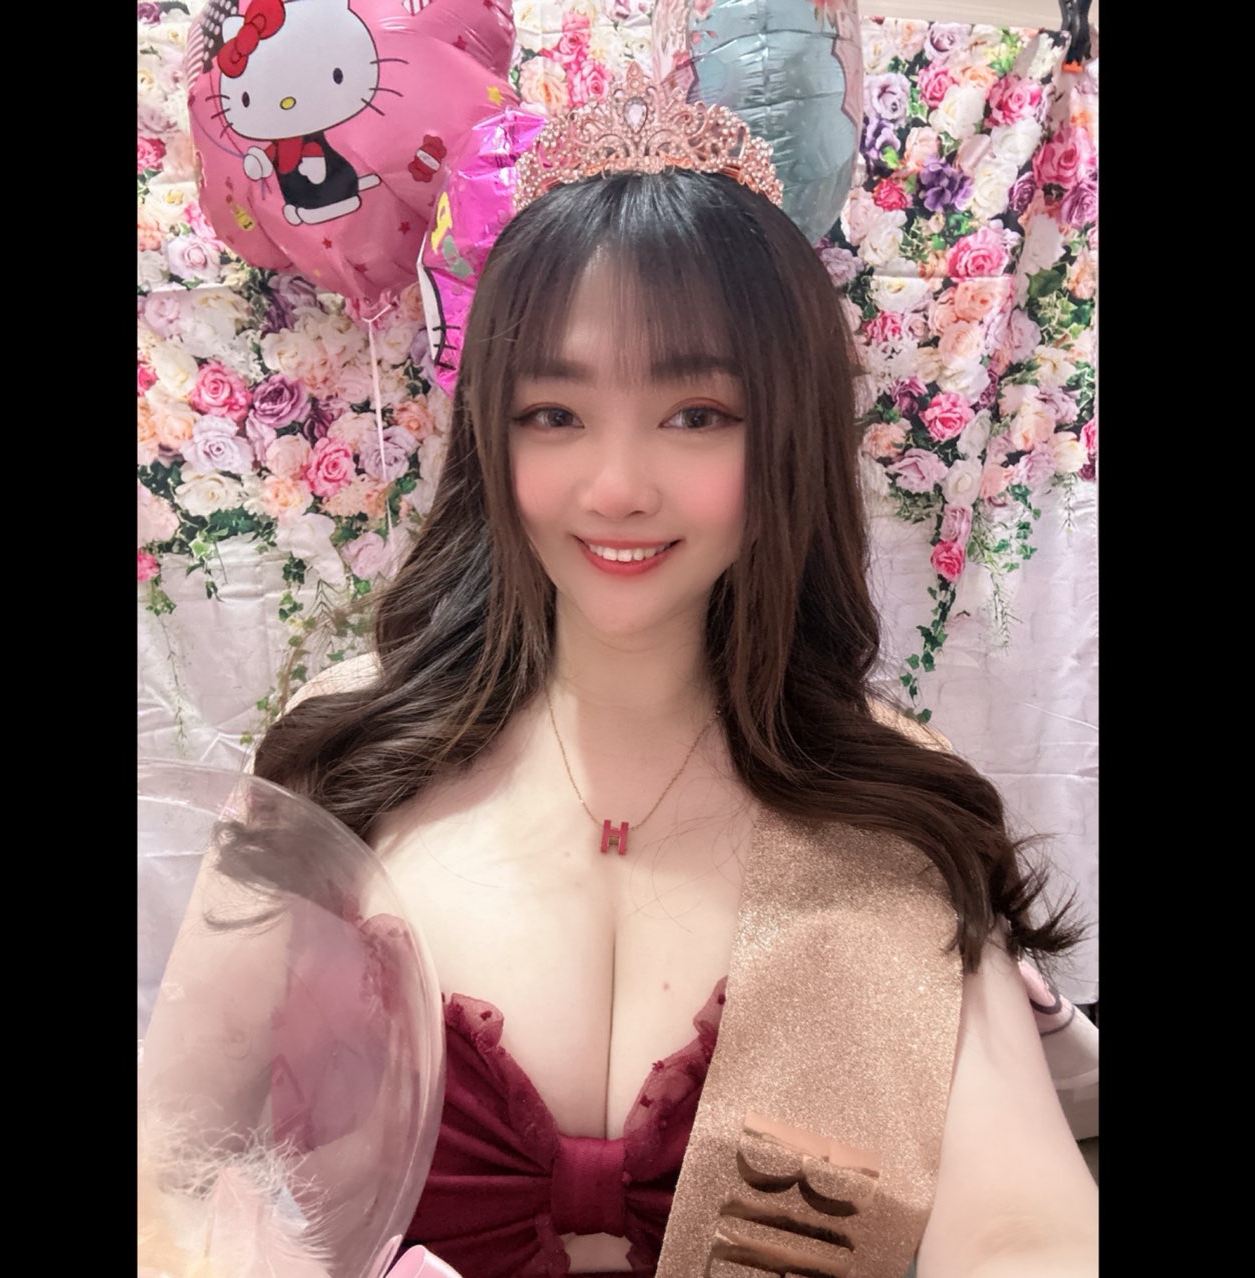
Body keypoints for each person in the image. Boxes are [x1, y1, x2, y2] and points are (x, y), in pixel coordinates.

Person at [247, 71, 1098, 1278]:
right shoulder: (341, 753)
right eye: (554, 413)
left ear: (787, 429)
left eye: (695, 414)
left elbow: (1025, 1233)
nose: (617, 488)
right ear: (490, 428)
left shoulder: (893, 801)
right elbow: (185, 1163)